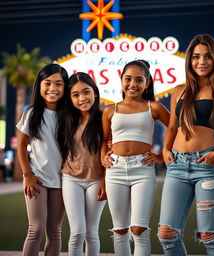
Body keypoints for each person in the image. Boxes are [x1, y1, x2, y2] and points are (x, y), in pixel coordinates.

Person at [158, 34, 214, 256]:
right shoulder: (179, 90)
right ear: (189, 60)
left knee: (210, 236)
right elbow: (173, 127)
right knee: (166, 234)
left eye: (207, 57)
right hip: (176, 166)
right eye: (196, 57)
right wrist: (166, 150)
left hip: (208, 167)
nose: (201, 62)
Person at [101, 59, 169, 256]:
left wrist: (161, 155)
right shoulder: (109, 110)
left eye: (139, 80)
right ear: (121, 80)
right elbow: (103, 141)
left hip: (143, 169)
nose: (133, 84)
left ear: (147, 83)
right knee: (120, 229)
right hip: (115, 170)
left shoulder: (153, 107)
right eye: (128, 79)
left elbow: (176, 128)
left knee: (139, 229)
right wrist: (103, 159)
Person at [16, 63, 68, 256]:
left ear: (65, 87)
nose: (53, 88)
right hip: (36, 178)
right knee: (35, 230)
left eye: (58, 84)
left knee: (54, 232)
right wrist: (27, 174)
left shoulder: (70, 115)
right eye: (47, 83)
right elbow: (21, 145)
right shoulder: (31, 113)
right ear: (39, 86)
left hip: (62, 181)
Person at [60, 72, 106, 256]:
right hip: (71, 179)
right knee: (77, 232)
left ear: (94, 92)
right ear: (69, 98)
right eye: (75, 94)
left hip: (97, 180)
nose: (82, 98)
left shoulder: (105, 118)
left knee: (91, 233)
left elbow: (110, 152)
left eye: (86, 92)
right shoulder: (65, 120)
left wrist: (105, 180)